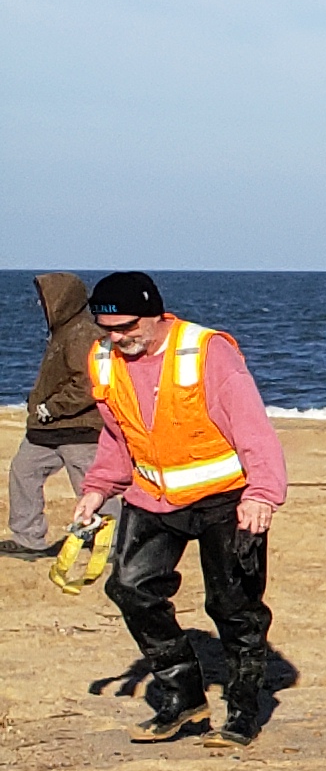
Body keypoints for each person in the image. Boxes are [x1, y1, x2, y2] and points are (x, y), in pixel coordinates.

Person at [69, 272, 290, 745]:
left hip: (227, 499)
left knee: (234, 608)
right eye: (106, 329)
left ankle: (243, 712)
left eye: (126, 327)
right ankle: (184, 698)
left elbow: (253, 428)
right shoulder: (104, 359)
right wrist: (98, 488)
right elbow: (117, 434)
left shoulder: (208, 352)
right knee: (129, 587)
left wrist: (262, 494)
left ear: (154, 315)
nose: (116, 338)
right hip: (152, 498)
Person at [9, 273, 98, 557]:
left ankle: (109, 543)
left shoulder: (83, 333)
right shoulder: (64, 331)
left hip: (80, 428)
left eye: (44, 298)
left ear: (61, 301)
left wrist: (51, 407)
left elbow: (87, 383)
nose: (39, 304)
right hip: (47, 429)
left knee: (92, 487)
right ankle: (28, 539)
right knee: (23, 472)